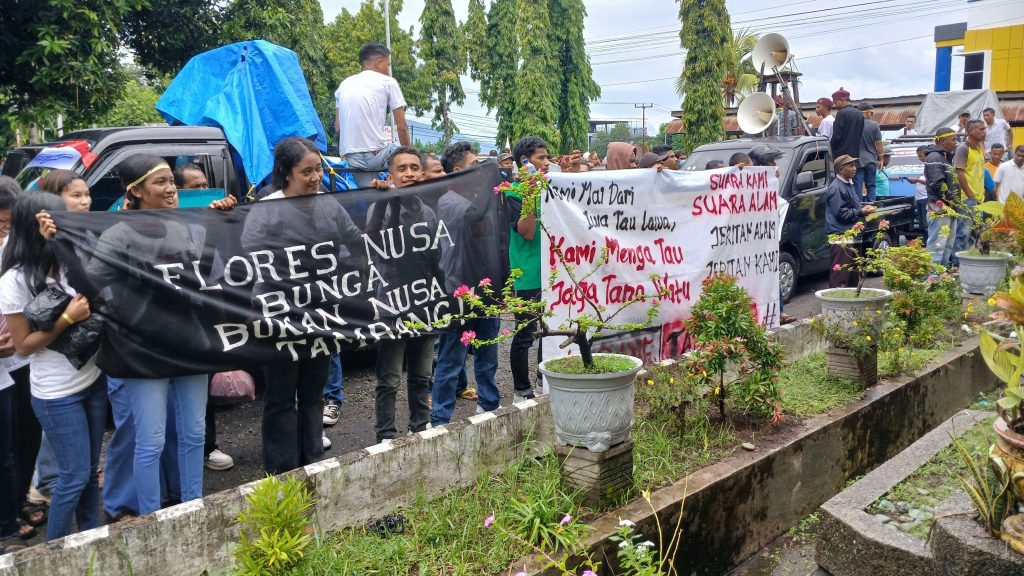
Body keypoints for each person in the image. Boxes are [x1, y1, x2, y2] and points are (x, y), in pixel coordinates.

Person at [240, 138, 360, 473]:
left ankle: (313, 460)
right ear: (286, 173)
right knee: (280, 395)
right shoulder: (267, 209)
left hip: (321, 313)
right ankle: (282, 469)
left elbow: (353, 238)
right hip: (280, 317)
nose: (316, 177)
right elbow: (250, 256)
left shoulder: (328, 204)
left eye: (318, 169)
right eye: (306, 172)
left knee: (313, 391)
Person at [0, 192, 105, 541]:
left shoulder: (69, 262)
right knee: (73, 476)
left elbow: (98, 291)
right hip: (57, 394)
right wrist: (65, 319)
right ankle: (56, 549)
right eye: (57, 219)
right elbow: (24, 346)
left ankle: (90, 540)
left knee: (88, 473)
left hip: (92, 378)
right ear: (33, 226)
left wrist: (62, 245)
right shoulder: (13, 280)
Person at [366, 147, 441, 442]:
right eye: (402, 169)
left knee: (422, 375)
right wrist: (386, 202)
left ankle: (420, 427)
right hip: (392, 305)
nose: (409, 173)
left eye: (414, 167)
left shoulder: (428, 211)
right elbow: (372, 241)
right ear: (391, 175)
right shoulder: (380, 206)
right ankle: (385, 436)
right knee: (389, 379)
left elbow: (436, 256)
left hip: (424, 304)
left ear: (421, 173)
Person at [168, 165, 236, 472]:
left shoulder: (201, 228)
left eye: (205, 185)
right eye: (194, 187)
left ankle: (207, 446)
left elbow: (215, 277)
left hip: (201, 320)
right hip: (165, 322)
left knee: (199, 389)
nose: (203, 191)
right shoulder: (152, 224)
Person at [431, 142, 504, 425]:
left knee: (488, 351)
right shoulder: (448, 201)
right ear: (457, 171)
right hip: (459, 288)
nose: (481, 170)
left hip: (486, 286)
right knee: (452, 357)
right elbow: (474, 216)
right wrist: (491, 177)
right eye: (475, 165)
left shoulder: (479, 197)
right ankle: (440, 419)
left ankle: (489, 405)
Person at [0, 179, 40, 552]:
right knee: (5, 447)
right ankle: (5, 523)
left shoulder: (18, 249)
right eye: (2, 224)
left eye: (11, 225)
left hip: (22, 360)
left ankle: (18, 501)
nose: (6, 233)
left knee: (27, 436)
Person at [505, 137, 550, 402]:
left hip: (553, 274)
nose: (546, 162)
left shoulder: (550, 188)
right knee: (525, 335)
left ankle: (545, 380)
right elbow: (527, 231)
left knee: (551, 331)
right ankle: (521, 391)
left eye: (547, 157)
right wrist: (531, 194)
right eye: (540, 158)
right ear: (523, 162)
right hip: (528, 275)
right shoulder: (512, 193)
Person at [335, 42, 410, 188]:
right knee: (411, 161)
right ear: (379, 63)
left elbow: (338, 127)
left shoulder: (343, 85)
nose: (388, 70)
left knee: (372, 195)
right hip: (377, 154)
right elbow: (402, 126)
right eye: (388, 65)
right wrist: (411, 156)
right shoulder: (388, 82)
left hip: (352, 159)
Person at [826, 155, 876, 288]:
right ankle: (837, 300)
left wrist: (862, 209)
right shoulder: (837, 188)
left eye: (854, 165)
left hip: (851, 235)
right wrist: (861, 212)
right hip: (842, 237)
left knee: (853, 275)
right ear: (841, 169)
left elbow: (849, 208)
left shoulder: (847, 184)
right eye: (851, 166)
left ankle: (851, 300)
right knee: (841, 276)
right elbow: (841, 214)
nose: (855, 168)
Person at [924, 129, 962, 265]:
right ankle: (931, 275)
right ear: (943, 141)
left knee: (948, 244)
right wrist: (953, 200)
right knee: (937, 244)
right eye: (953, 139)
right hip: (939, 207)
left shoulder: (945, 157)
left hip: (950, 207)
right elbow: (937, 183)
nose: (956, 142)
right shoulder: (934, 157)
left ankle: (943, 273)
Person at [951, 119, 986, 263]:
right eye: (981, 129)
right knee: (963, 233)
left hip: (978, 199)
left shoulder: (979, 148)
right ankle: (956, 265)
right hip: (967, 199)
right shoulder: (963, 148)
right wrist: (970, 194)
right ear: (971, 131)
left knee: (974, 234)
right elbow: (959, 173)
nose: (984, 132)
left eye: (984, 129)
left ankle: (968, 263)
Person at [855, 102, 883, 202]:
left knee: (857, 186)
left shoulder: (853, 125)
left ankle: (858, 207)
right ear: (867, 113)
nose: (872, 115)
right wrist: (881, 159)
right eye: (871, 113)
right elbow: (879, 143)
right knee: (871, 185)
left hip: (857, 161)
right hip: (871, 160)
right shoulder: (874, 125)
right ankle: (871, 205)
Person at [829, 87, 863, 160]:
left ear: (842, 99)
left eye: (835, 102)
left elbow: (837, 136)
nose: (835, 105)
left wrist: (831, 149)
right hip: (855, 155)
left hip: (841, 155)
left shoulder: (841, 113)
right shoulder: (859, 113)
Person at [907, 146, 930, 243]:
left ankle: (929, 243)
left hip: (926, 198)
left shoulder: (930, 165)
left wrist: (917, 180)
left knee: (926, 223)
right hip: (919, 198)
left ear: (925, 154)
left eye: (920, 156)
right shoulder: (925, 166)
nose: (919, 158)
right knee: (921, 224)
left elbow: (931, 182)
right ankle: (925, 243)